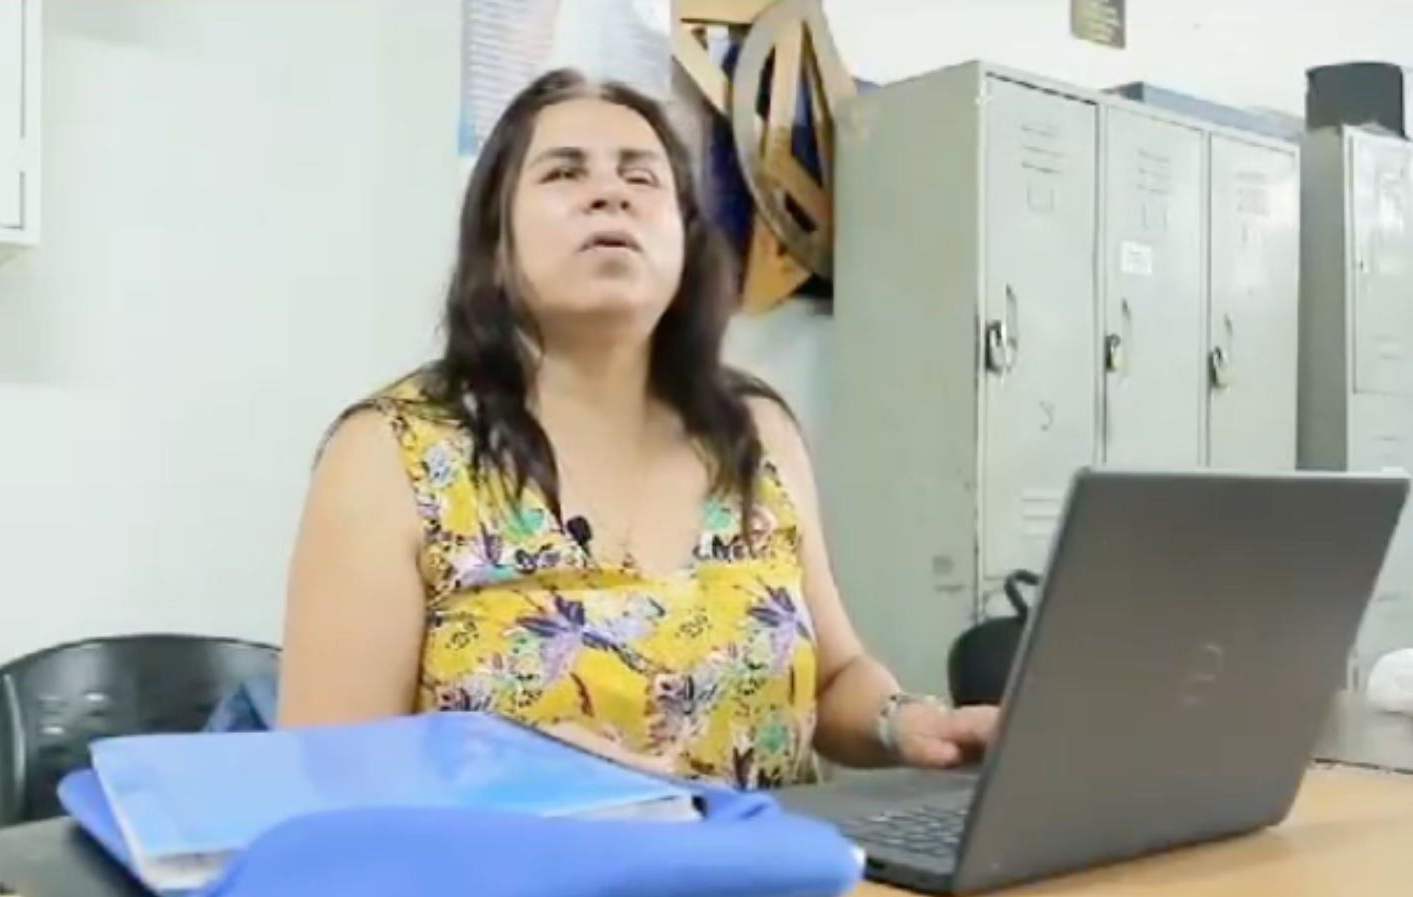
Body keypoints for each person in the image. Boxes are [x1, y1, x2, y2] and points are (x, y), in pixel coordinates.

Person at [276, 68, 1000, 787]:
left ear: (685, 245)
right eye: (563, 173)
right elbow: (329, 781)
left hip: (771, 887)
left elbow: (834, 677)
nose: (609, 192)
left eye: (641, 177)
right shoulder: (391, 457)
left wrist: (905, 722)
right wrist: (513, 775)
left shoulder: (755, 434)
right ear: (495, 246)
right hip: (528, 896)